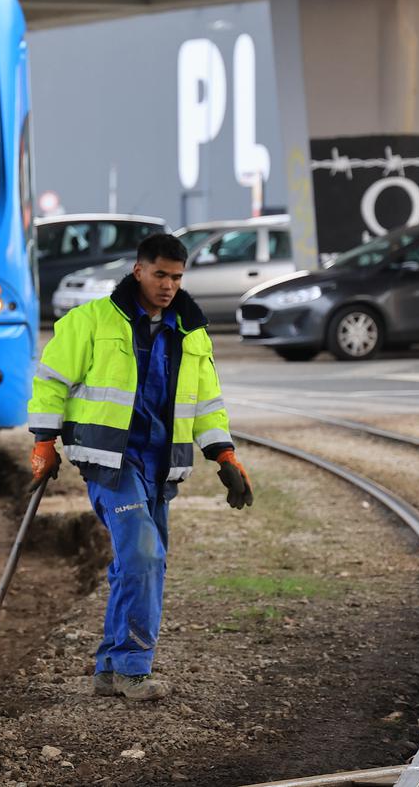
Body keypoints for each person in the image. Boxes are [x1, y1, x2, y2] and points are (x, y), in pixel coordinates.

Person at [27, 233, 253, 702]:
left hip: (161, 463)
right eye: (160, 275)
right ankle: (134, 669)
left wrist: (223, 455)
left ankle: (109, 667)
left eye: (176, 277)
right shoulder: (89, 321)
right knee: (144, 557)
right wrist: (44, 442)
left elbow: (207, 403)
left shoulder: (191, 330)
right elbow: (51, 383)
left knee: (138, 562)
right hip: (109, 460)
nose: (168, 285)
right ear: (138, 270)